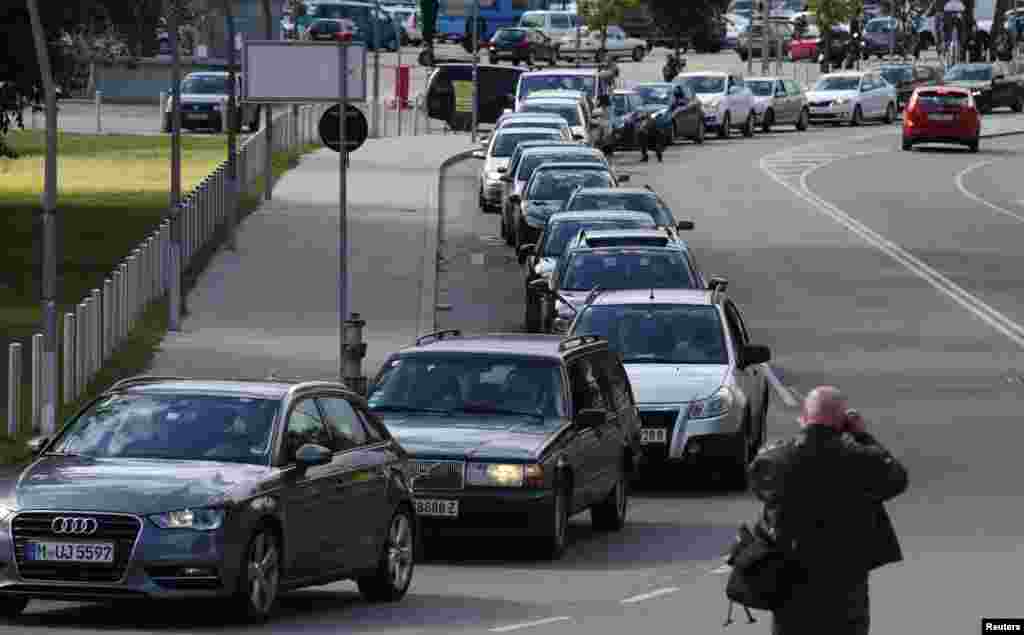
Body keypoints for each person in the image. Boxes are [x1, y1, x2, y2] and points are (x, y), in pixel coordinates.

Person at [748, 386, 908, 635]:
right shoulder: (860, 458)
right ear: (843, 419)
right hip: (845, 581)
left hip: (790, 580)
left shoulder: (776, 459)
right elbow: (896, 479)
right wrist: (862, 436)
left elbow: (759, 487)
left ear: (804, 415)